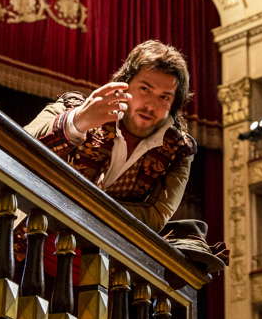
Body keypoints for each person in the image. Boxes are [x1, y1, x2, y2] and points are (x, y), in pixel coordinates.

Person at [24, 39, 196, 232]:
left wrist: (83, 206)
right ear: (125, 84)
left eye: (164, 97)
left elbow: (156, 215)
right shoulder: (71, 106)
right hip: (26, 244)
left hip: (96, 258)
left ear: (174, 104)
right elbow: (18, 150)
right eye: (145, 89)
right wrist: (77, 122)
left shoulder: (179, 150)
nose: (150, 105)